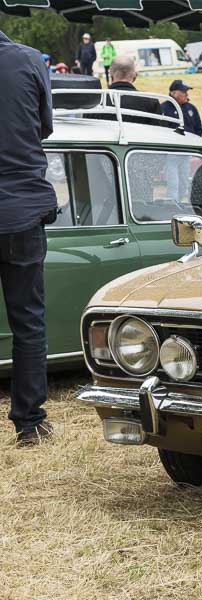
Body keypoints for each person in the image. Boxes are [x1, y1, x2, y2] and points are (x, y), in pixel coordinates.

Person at [0, 29, 58, 446]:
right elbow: (44, 126)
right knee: (28, 322)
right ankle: (30, 423)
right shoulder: (29, 60)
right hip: (21, 206)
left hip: (21, 201)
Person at [93, 55, 162, 125]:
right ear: (134, 74)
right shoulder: (151, 102)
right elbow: (160, 129)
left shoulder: (95, 102)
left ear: (110, 72)